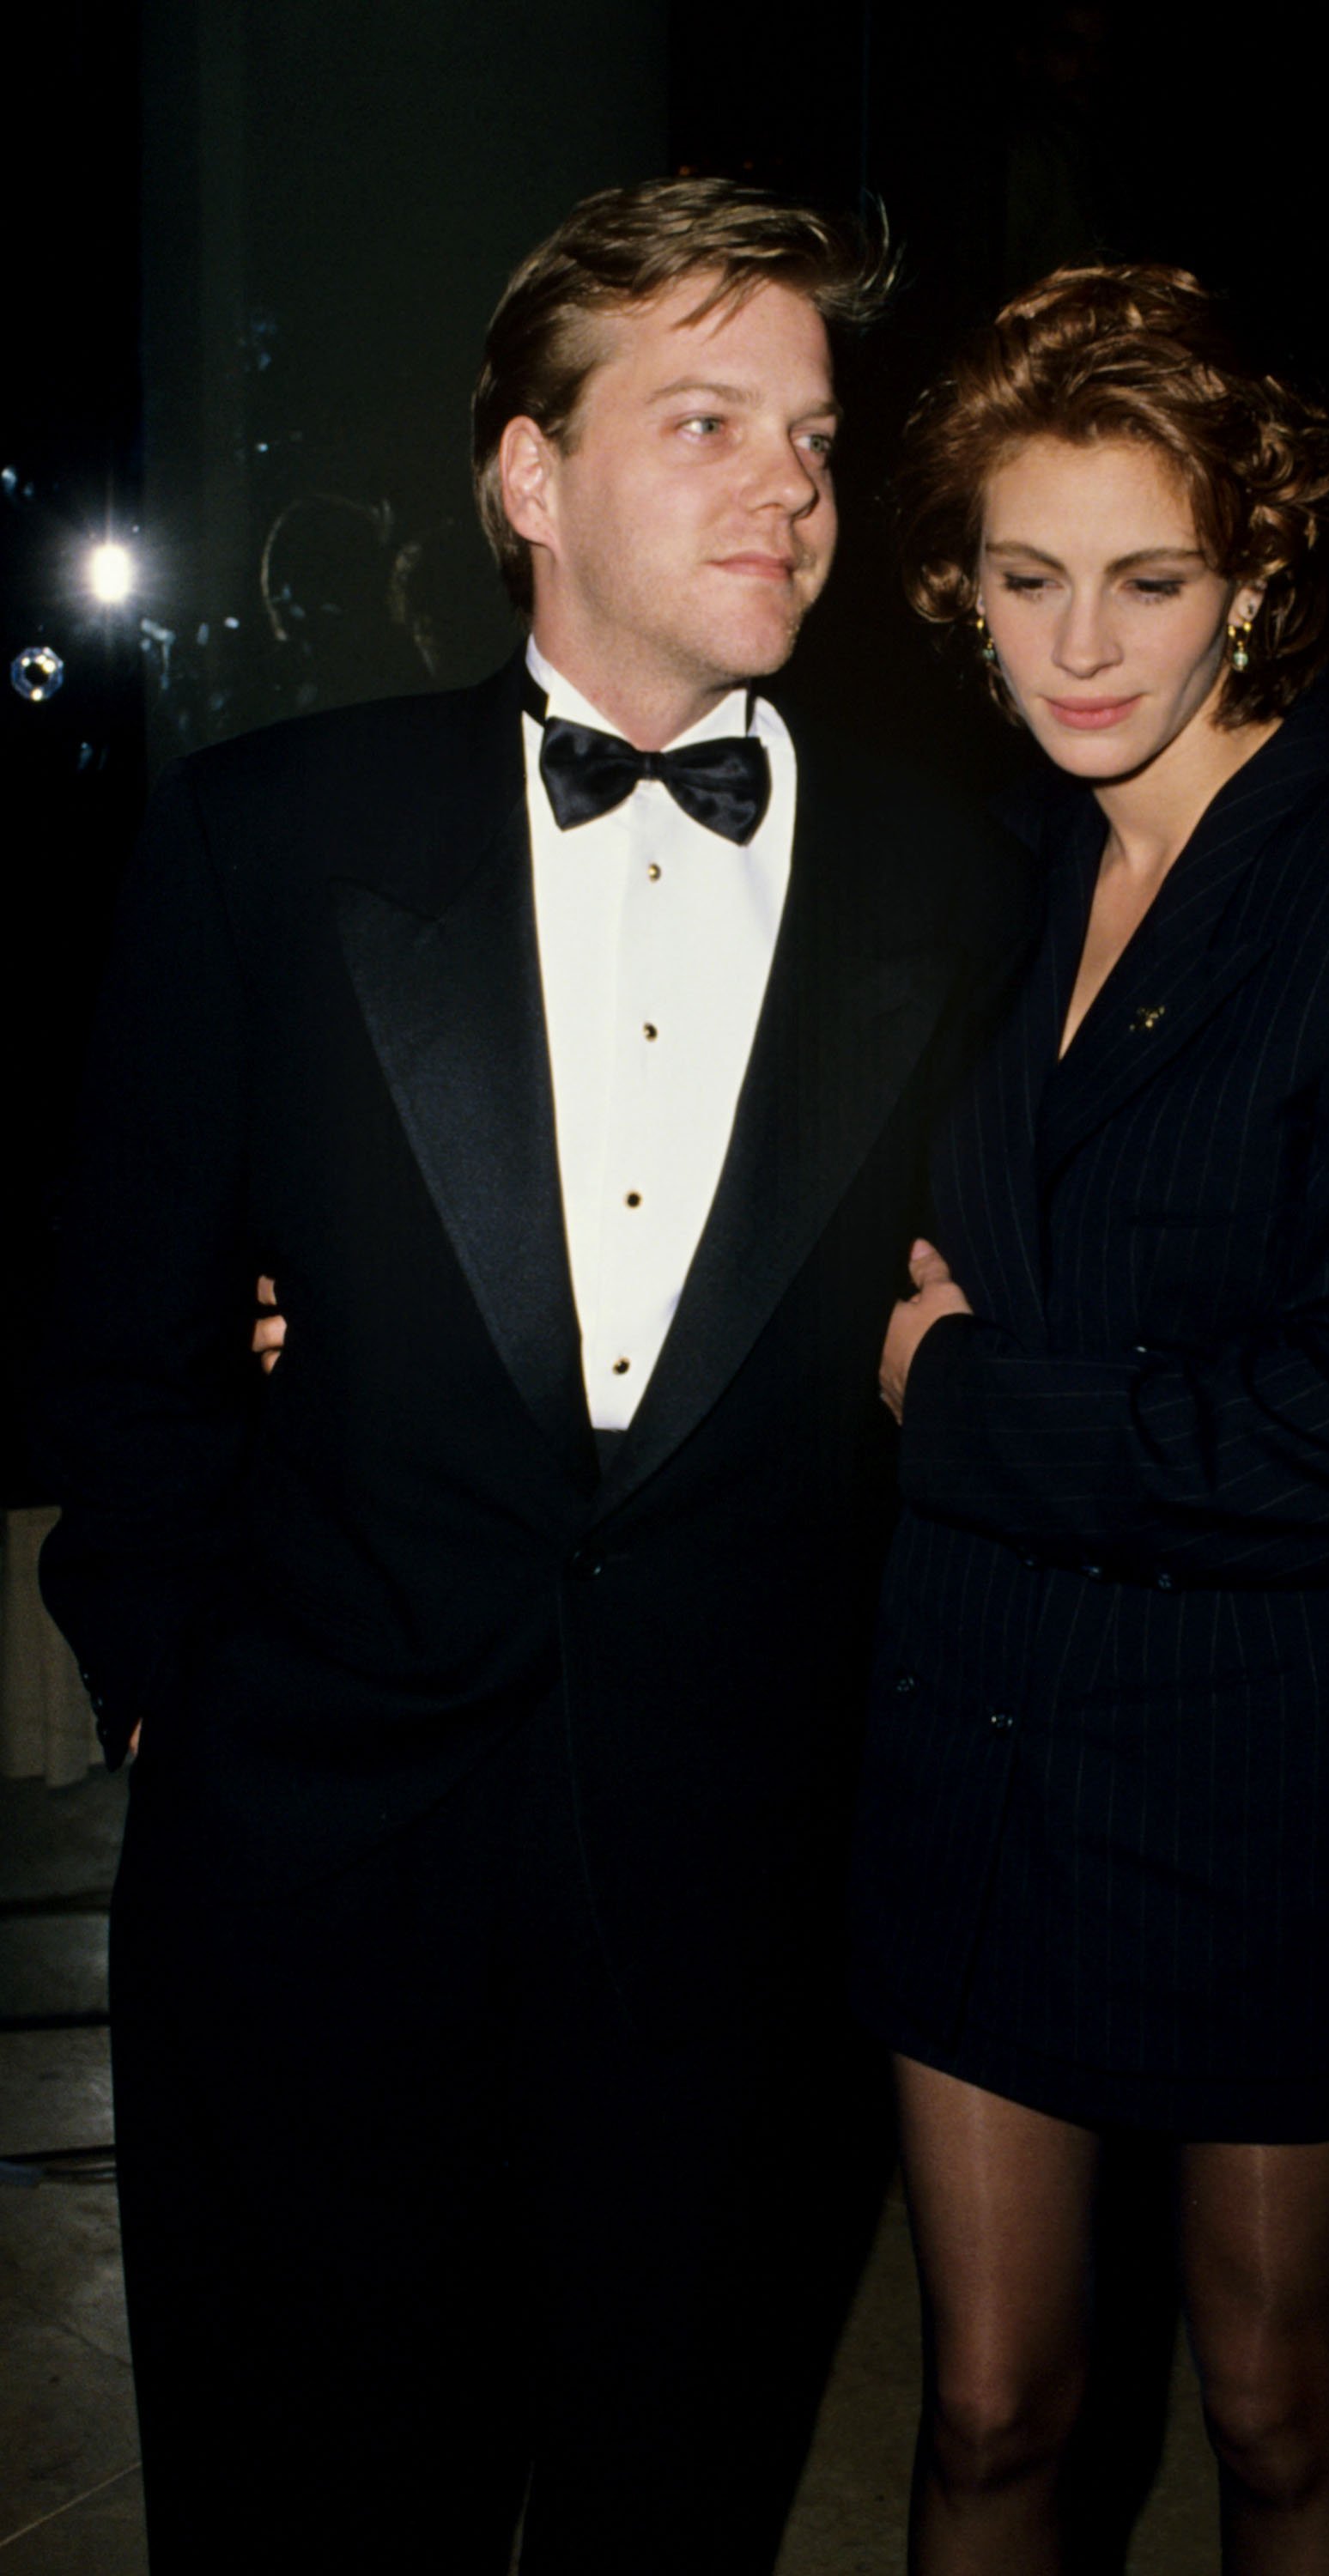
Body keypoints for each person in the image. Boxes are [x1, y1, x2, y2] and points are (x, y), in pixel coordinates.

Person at [34, 179, 1029, 2574]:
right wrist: (181, 1689)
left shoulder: (958, 878)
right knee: (305, 2503)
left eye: (806, 429)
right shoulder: (272, 839)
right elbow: (122, 1327)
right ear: (528, 476)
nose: (790, 477)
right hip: (309, 1865)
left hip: (729, 1891)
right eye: (705, 421)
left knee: (661, 2500)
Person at [853, 263, 1329, 2573]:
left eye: (1149, 582)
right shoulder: (1001, 875)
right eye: (1027, 579)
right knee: (984, 2412)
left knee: (1279, 2421)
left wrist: (962, 1399)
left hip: (1255, 1776)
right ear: (958, 583)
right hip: (967, 1740)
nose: (1080, 647)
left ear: (1253, 574)